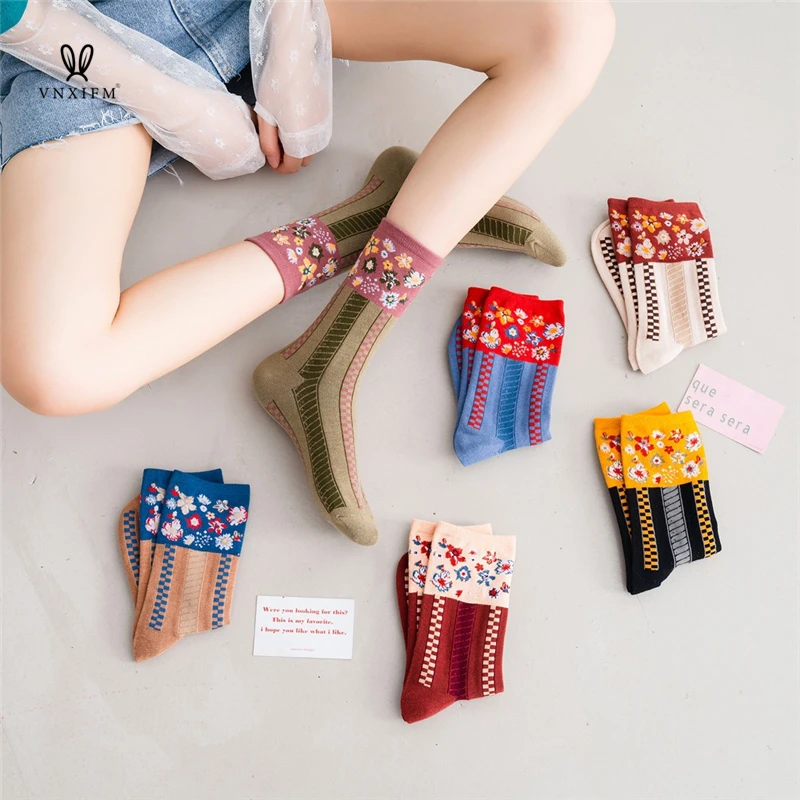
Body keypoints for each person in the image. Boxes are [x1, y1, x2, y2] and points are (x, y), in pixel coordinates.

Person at [0, 0, 614, 417]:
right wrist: (172, 100)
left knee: (571, 26)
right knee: (56, 372)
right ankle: (369, 222)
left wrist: (290, 20)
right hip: (60, 45)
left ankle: (334, 352)